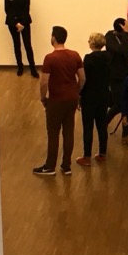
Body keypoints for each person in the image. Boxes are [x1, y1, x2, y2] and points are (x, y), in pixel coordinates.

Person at [32, 26, 83, 177]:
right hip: (71, 99)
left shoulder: (50, 58)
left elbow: (44, 82)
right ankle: (66, 166)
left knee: (53, 133)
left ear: (53, 38)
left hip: (56, 100)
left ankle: (50, 166)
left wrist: (43, 97)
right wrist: (76, 92)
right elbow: (82, 78)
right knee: (69, 132)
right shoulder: (75, 55)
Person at [76, 32, 111, 167]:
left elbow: (84, 79)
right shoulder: (108, 57)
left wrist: (79, 94)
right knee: (102, 125)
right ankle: (102, 153)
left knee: (88, 127)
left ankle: (87, 157)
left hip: (89, 97)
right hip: (103, 95)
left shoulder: (89, 58)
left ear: (93, 43)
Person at [105, 16, 128, 143]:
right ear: (122, 26)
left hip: (127, 75)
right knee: (119, 104)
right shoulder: (110, 37)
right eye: (127, 24)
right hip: (116, 76)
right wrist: (126, 35)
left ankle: (126, 135)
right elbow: (122, 51)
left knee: (127, 104)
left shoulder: (124, 37)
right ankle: (103, 123)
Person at [4, 0, 37, 78]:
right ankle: (20, 67)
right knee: (16, 45)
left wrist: (22, 24)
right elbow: (7, 10)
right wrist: (16, 23)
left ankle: (33, 68)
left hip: (25, 22)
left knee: (28, 45)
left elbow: (27, 9)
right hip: (12, 23)